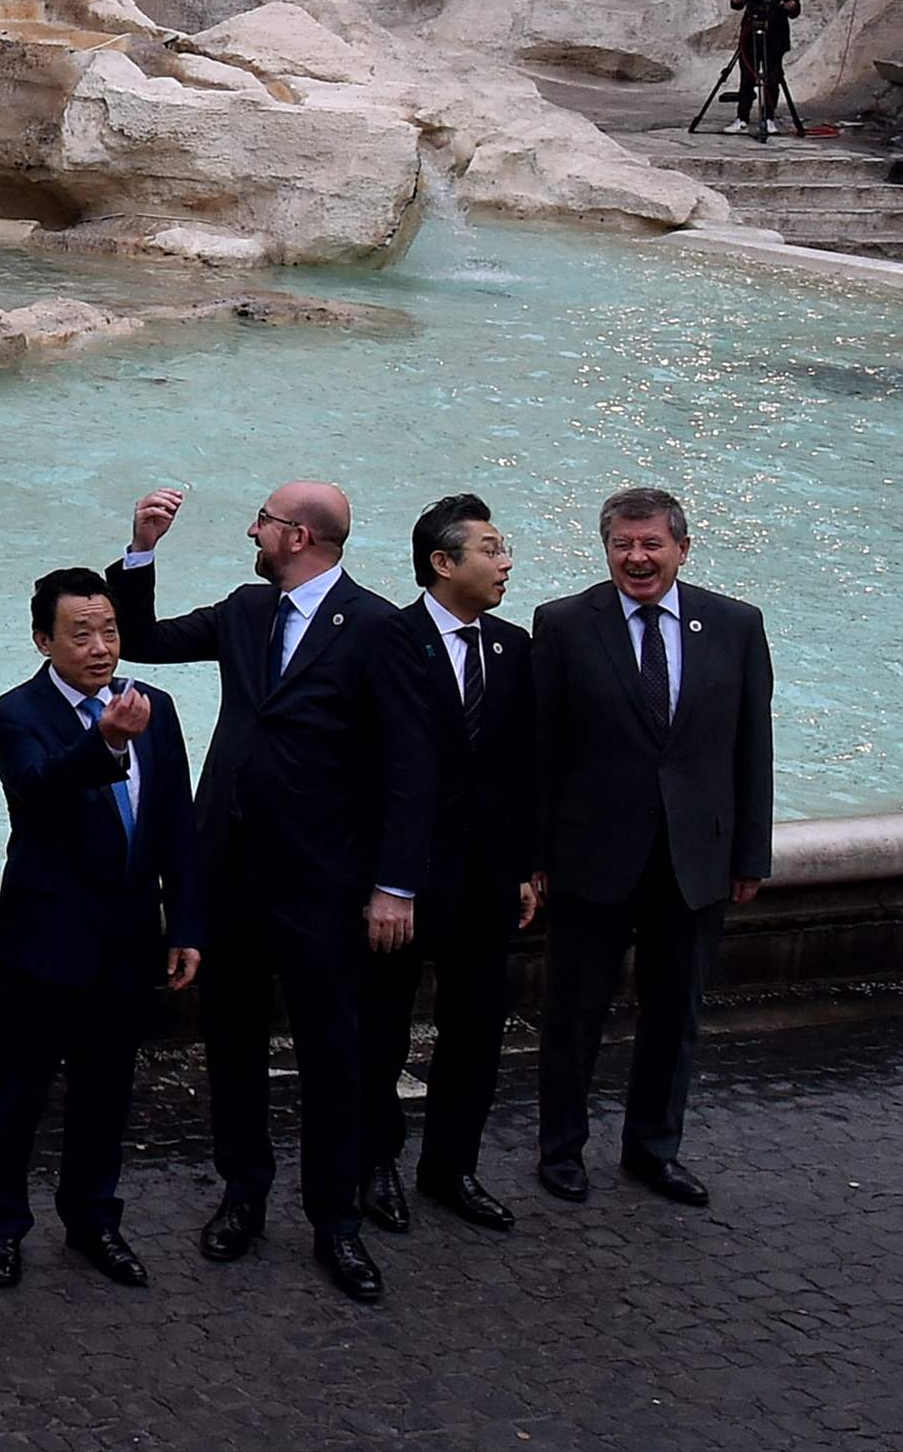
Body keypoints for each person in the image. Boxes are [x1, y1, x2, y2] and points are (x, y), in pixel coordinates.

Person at [109, 482, 404, 1301]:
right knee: (230, 1045)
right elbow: (141, 638)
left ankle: (335, 1222)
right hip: (230, 872)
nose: (253, 529)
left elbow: (406, 765)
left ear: (300, 535)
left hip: (325, 882)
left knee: (330, 1056)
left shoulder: (379, 627)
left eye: (264, 522)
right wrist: (142, 549)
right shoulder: (245, 608)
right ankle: (243, 1195)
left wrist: (394, 884)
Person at [534, 486, 775, 1207]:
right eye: (622, 546)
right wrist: (536, 855)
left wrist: (750, 857)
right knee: (572, 1015)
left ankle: (653, 1149)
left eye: (651, 545)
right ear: (605, 549)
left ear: (681, 548)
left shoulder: (734, 625)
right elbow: (542, 752)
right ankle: (561, 1151)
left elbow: (751, 749)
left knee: (677, 1015)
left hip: (693, 861)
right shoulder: (565, 625)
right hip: (592, 857)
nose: (637, 559)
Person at [0, 566, 202, 1292]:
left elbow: (176, 828)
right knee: (19, 1092)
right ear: (44, 639)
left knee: (108, 1092)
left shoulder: (154, 706)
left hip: (129, 939)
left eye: (109, 631)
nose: (101, 647)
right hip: (46, 940)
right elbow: (35, 794)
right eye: (81, 633)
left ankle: (95, 1219)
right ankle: (0, 1225)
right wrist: (102, 743)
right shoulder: (13, 714)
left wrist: (186, 923)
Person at [354, 494, 538, 1236]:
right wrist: (391, 883)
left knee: (477, 1028)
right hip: (407, 882)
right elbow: (396, 767)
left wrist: (524, 865)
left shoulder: (511, 645)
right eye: (491, 549)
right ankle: (374, 1163)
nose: (506, 562)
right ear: (442, 562)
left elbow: (522, 764)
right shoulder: (389, 640)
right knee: (382, 1029)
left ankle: (451, 1167)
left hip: (486, 882)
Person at [732, 0, 801, 138]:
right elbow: (738, 3)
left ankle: (768, 119)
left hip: (775, 36)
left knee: (772, 78)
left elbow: (795, 12)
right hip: (750, 34)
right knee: (747, 78)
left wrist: (790, 6)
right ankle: (742, 119)